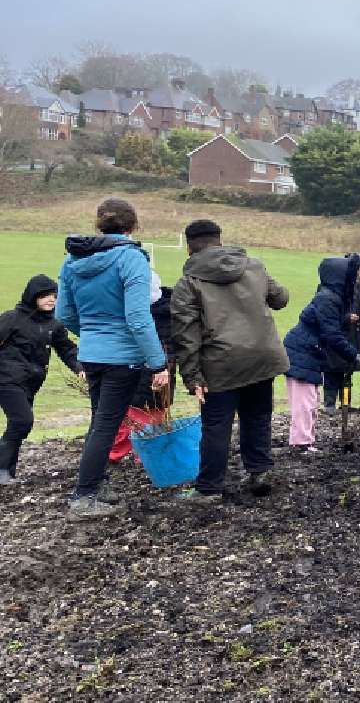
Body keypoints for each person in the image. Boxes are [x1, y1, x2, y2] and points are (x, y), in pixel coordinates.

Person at [54, 198, 170, 519]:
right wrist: (157, 361)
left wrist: (91, 333)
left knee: (100, 421)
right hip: (123, 357)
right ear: (133, 227)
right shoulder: (131, 258)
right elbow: (137, 316)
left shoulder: (72, 261)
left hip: (91, 354)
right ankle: (84, 496)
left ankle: (96, 483)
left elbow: (64, 314)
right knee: (107, 423)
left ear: (98, 225)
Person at [170, 220, 291, 503]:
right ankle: (259, 472)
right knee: (258, 417)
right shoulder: (254, 265)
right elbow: (281, 298)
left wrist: (192, 377)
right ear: (219, 240)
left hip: (221, 362)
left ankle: (209, 488)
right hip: (262, 356)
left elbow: (185, 335)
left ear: (189, 247)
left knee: (216, 425)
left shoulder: (189, 283)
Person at [0, 274, 81, 485]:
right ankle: (1, 469)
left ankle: (8, 472)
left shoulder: (53, 325)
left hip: (31, 383)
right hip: (7, 380)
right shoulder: (12, 319)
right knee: (22, 421)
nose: (51, 300)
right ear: (32, 296)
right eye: (45, 295)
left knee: (19, 424)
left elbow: (67, 349)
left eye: (54, 295)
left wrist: (80, 368)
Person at [282, 255, 360, 454]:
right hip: (301, 353)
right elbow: (331, 334)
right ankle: (300, 444)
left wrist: (344, 319)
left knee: (311, 400)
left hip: (310, 352)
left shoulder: (330, 297)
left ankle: (305, 441)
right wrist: (352, 353)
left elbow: (326, 323)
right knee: (304, 402)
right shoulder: (327, 298)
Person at [106, 273, 174, 467]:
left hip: (150, 377)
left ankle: (128, 455)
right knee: (139, 419)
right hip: (150, 377)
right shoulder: (165, 312)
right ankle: (136, 456)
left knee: (140, 420)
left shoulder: (153, 316)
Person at [323, 255, 360, 412]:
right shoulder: (332, 287)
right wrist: (346, 318)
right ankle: (329, 405)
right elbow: (327, 313)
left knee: (348, 372)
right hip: (336, 334)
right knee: (332, 370)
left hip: (353, 335)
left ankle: (345, 404)